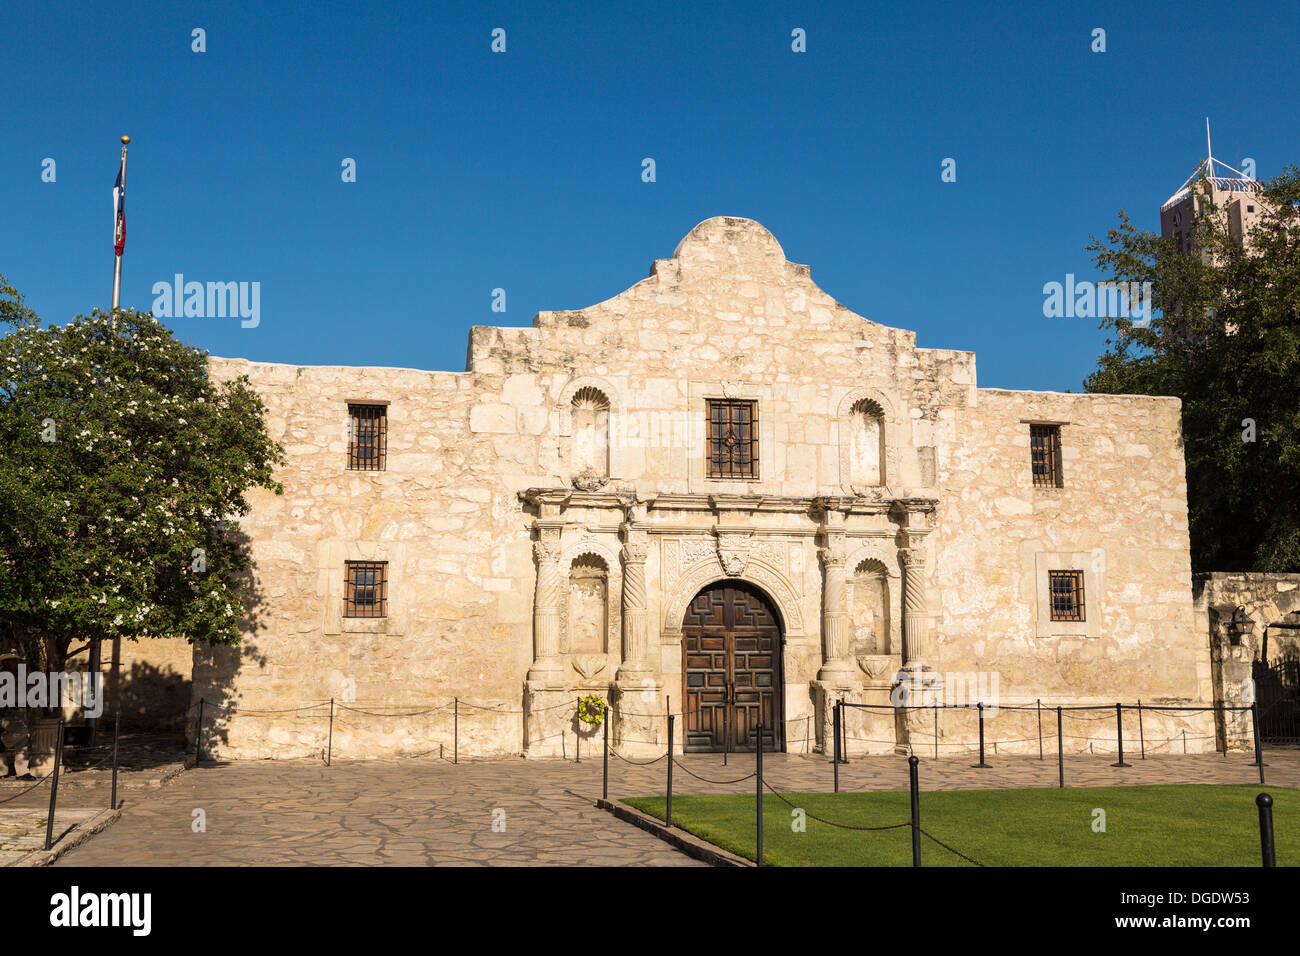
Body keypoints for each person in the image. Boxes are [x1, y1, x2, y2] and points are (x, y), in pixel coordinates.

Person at [0, 651, 34, 779]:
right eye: (13, 661)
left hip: (13, 712)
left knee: (23, 740)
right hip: (3, 713)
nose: (16, 663)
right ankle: (3, 741)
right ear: (6, 662)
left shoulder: (16, 675)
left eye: (17, 661)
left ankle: (22, 772)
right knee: (22, 732)